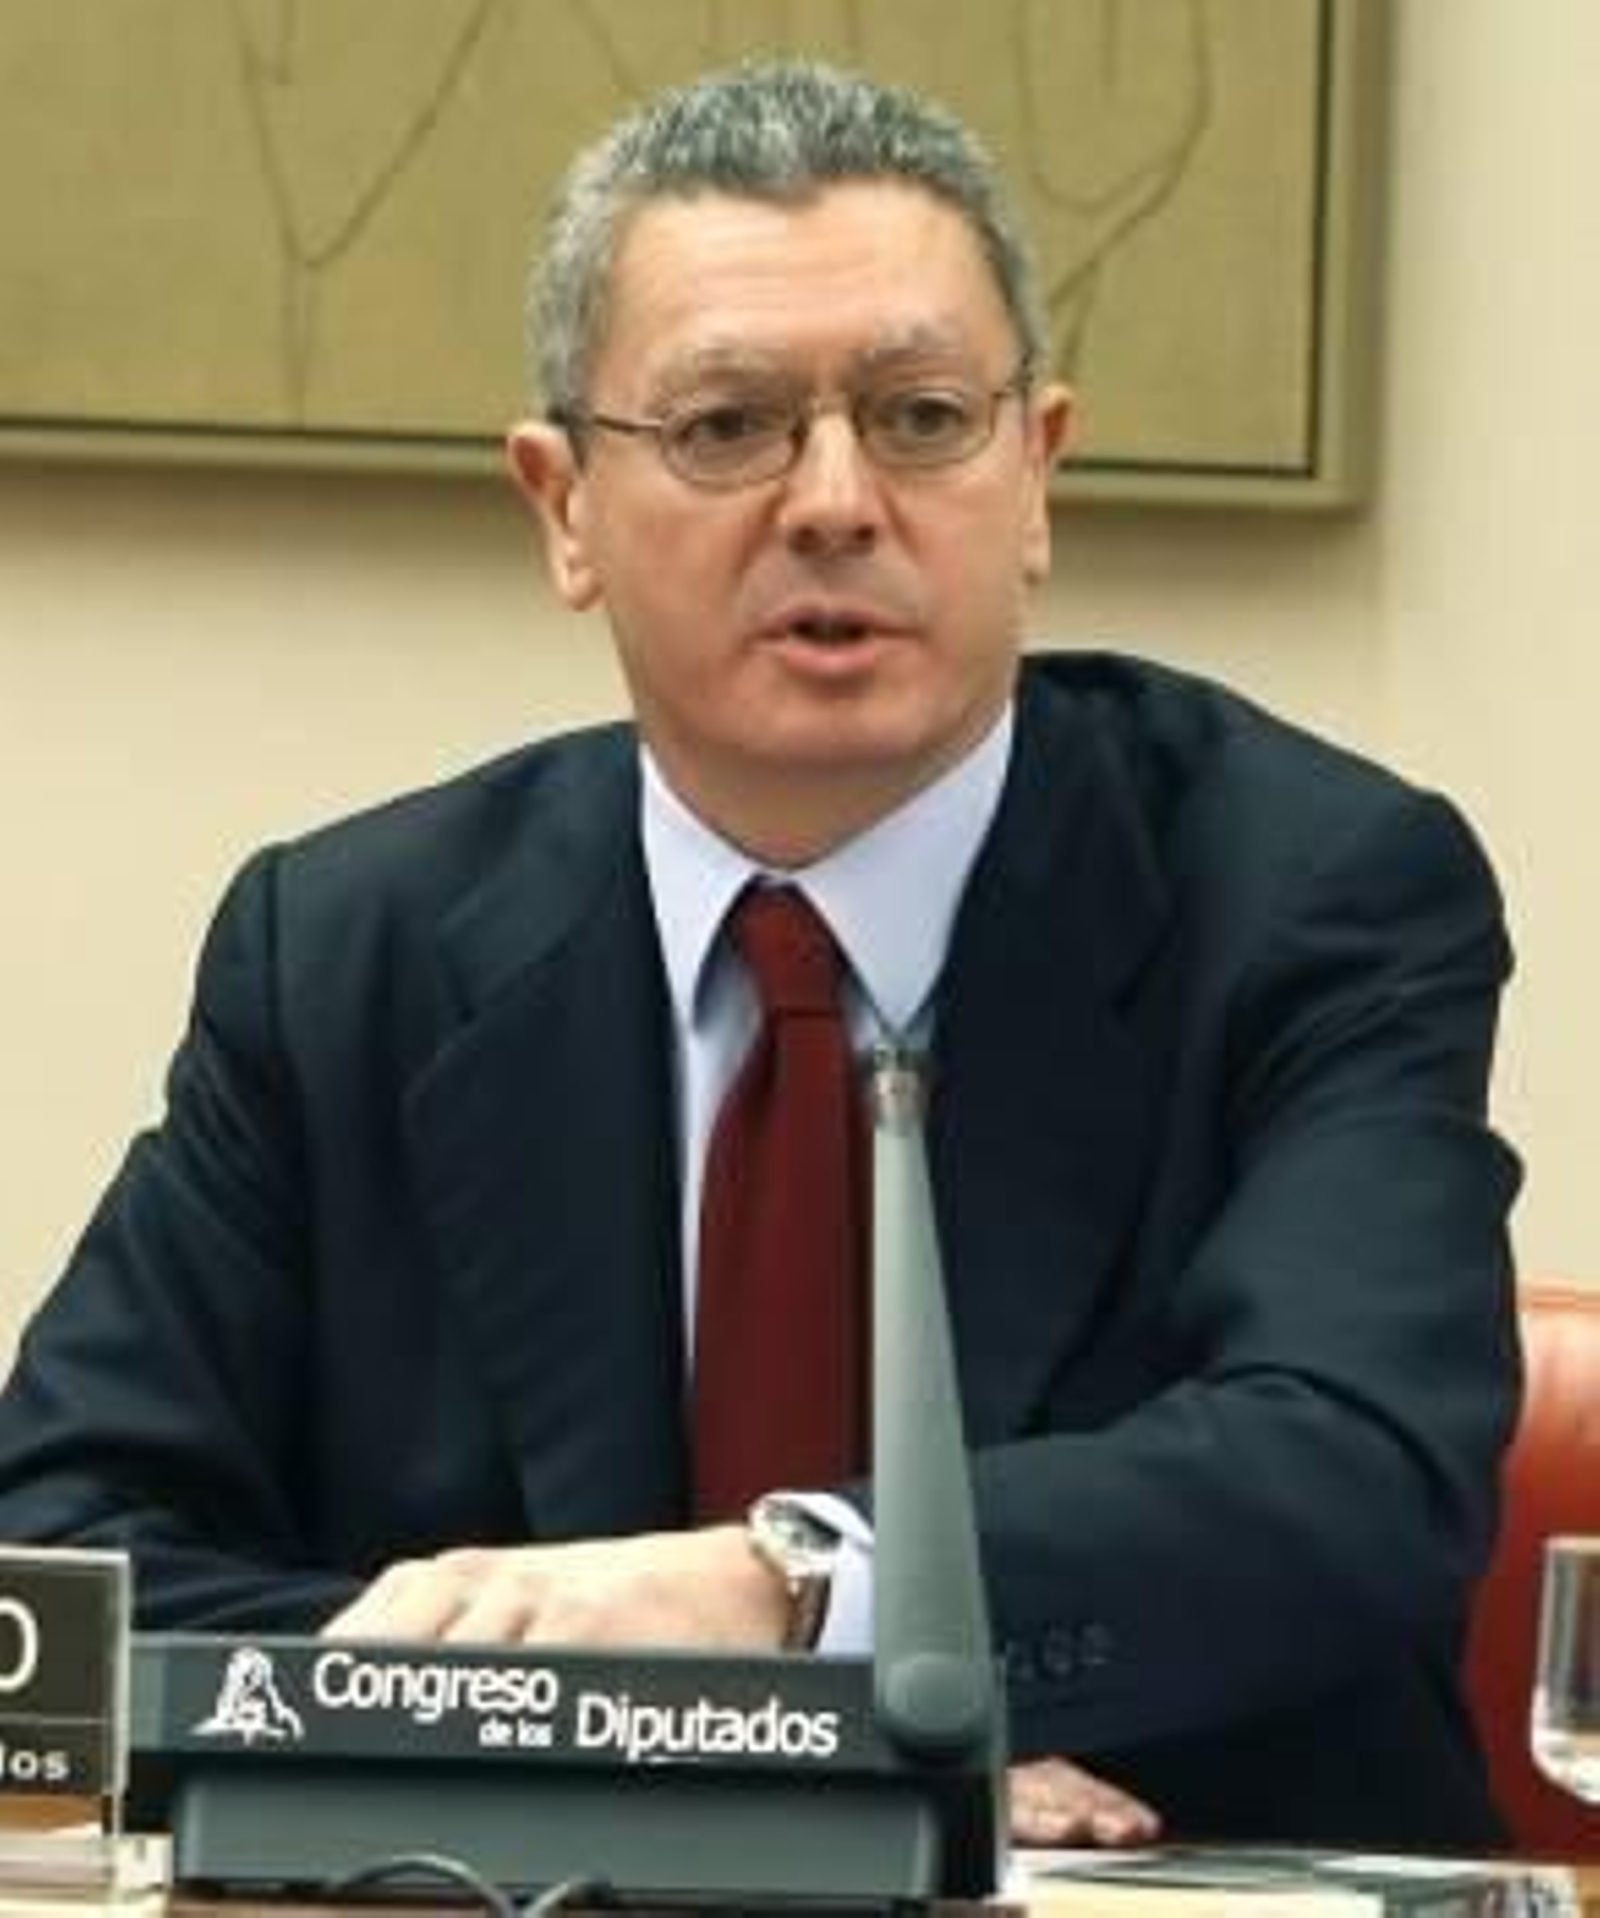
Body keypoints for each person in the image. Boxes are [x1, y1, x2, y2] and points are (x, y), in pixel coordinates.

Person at [0, 60, 1520, 1852]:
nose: (833, 500)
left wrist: (788, 1590)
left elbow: (1349, 1470)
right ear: (561, 504)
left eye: (922, 416)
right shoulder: (347, 950)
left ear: (1034, 477)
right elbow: (62, 1571)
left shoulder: (1316, 892)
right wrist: (727, 1738)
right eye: (727, 427)